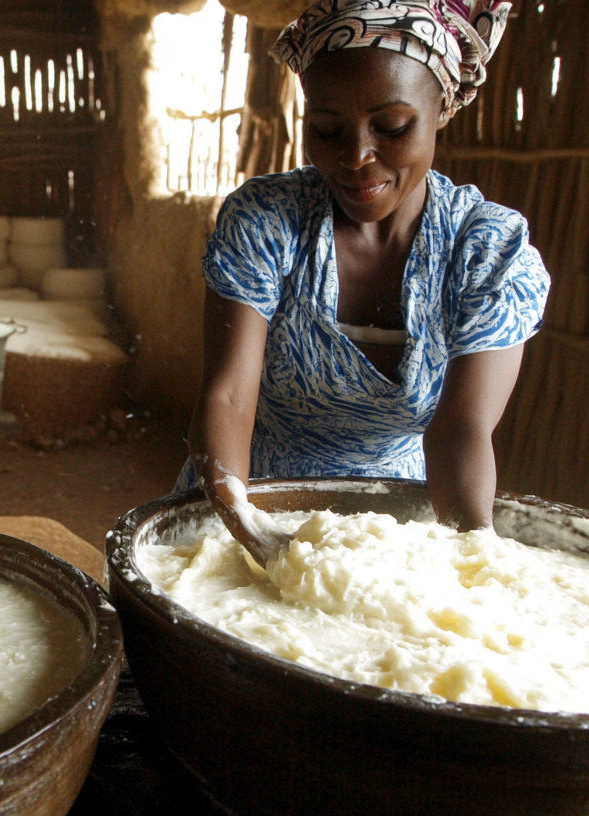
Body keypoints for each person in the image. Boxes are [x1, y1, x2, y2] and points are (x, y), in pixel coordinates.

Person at [182, 0, 550, 563]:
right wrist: (251, 530)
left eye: (392, 127)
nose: (357, 156)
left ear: (441, 111)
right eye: (328, 130)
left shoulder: (486, 251)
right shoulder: (267, 221)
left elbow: (460, 432)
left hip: (390, 525)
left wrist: (475, 556)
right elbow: (229, 395)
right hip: (241, 501)